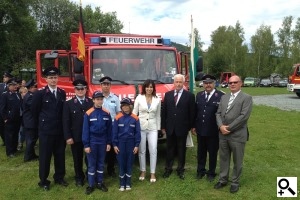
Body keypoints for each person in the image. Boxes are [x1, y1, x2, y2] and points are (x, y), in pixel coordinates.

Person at [214, 75, 253, 193]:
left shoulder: (246, 98)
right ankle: (223, 179)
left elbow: (243, 116)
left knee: (237, 160)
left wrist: (229, 128)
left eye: (235, 82)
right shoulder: (224, 97)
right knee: (223, 158)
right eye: (230, 82)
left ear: (240, 83)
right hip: (223, 134)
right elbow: (218, 113)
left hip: (237, 135)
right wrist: (221, 126)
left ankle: (235, 182)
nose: (232, 84)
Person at [31, 66, 68, 191]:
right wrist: (40, 127)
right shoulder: (40, 94)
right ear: (46, 79)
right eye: (51, 78)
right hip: (46, 131)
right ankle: (43, 181)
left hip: (59, 131)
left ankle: (59, 177)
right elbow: (34, 112)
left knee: (60, 155)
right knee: (45, 157)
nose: (53, 80)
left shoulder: (62, 93)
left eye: (55, 77)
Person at [161, 74, 195, 180]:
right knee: (169, 149)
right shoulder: (168, 95)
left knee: (181, 150)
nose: (178, 84)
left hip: (183, 127)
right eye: (176, 82)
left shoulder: (189, 96)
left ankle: (180, 170)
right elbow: (164, 112)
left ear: (183, 83)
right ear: (173, 83)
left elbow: (192, 113)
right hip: (170, 127)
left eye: (180, 82)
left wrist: (190, 126)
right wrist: (163, 126)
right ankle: (168, 169)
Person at [192, 75, 224, 182]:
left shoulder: (221, 95)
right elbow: (196, 112)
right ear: (203, 84)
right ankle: (200, 171)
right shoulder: (199, 95)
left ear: (214, 83)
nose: (208, 85)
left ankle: (211, 172)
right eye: (206, 83)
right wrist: (194, 126)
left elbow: (223, 114)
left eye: (210, 83)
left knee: (213, 152)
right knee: (201, 152)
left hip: (213, 130)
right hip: (200, 129)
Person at [63, 79, 93, 187]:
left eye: (82, 88)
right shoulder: (68, 104)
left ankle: (90, 175)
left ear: (86, 89)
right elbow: (66, 121)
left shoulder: (91, 102)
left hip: (89, 136)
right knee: (77, 158)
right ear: (74, 90)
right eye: (78, 89)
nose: (80, 90)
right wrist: (68, 137)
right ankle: (79, 177)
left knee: (89, 158)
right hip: (75, 137)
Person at [82, 91, 112, 195]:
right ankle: (91, 185)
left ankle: (100, 182)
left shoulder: (106, 113)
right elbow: (85, 130)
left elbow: (109, 130)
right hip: (92, 141)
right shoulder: (88, 113)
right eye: (97, 99)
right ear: (93, 100)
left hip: (103, 141)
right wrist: (86, 145)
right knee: (91, 164)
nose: (100, 101)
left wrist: (108, 143)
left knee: (100, 163)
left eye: (101, 99)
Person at [132, 79, 161, 182]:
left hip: (153, 128)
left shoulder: (157, 99)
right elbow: (134, 113)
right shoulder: (139, 98)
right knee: (142, 150)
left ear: (153, 88)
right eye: (147, 87)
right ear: (144, 88)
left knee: (153, 150)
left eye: (151, 87)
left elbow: (158, 116)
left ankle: (152, 173)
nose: (149, 89)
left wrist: (158, 129)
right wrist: (133, 128)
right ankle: (143, 171)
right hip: (141, 127)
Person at [113, 97, 141, 191]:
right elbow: (114, 133)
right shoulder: (117, 118)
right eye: (123, 105)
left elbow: (138, 133)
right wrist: (115, 145)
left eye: (127, 105)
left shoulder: (135, 118)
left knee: (129, 163)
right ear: (121, 107)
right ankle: (122, 184)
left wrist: (137, 145)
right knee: (121, 163)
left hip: (131, 143)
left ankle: (128, 183)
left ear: (130, 106)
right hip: (120, 144)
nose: (125, 107)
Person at [99, 76, 121, 177]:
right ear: (101, 85)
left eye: (108, 84)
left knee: (112, 149)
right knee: (101, 148)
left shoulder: (115, 98)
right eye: (104, 84)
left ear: (110, 86)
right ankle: (100, 169)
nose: (106, 86)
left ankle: (111, 169)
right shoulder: (97, 98)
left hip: (112, 127)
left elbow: (118, 113)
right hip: (101, 127)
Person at [0, 78, 22, 157]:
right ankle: (9, 152)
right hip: (9, 119)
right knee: (9, 135)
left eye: (16, 85)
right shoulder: (5, 95)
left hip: (17, 118)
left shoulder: (17, 94)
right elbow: (2, 108)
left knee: (15, 134)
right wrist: (5, 118)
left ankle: (14, 149)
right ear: (9, 86)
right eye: (13, 85)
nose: (15, 86)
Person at [23, 79, 39, 162]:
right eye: (35, 87)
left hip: (31, 121)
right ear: (30, 88)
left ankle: (32, 155)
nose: (36, 88)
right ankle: (27, 157)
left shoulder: (31, 95)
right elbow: (34, 108)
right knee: (30, 140)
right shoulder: (29, 97)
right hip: (30, 122)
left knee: (32, 139)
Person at [0, 71, 14, 146]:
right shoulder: (1, 86)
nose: (4, 78)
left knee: (8, 127)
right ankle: (4, 140)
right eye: (4, 77)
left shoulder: (12, 87)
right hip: (1, 109)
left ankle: (9, 141)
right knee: (1, 126)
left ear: (9, 78)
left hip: (8, 110)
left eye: (5, 77)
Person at [17, 86, 28, 151]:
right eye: (22, 92)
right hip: (21, 119)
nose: (24, 94)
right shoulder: (19, 101)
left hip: (27, 119)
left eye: (25, 92)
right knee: (21, 132)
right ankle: (20, 143)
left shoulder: (28, 99)